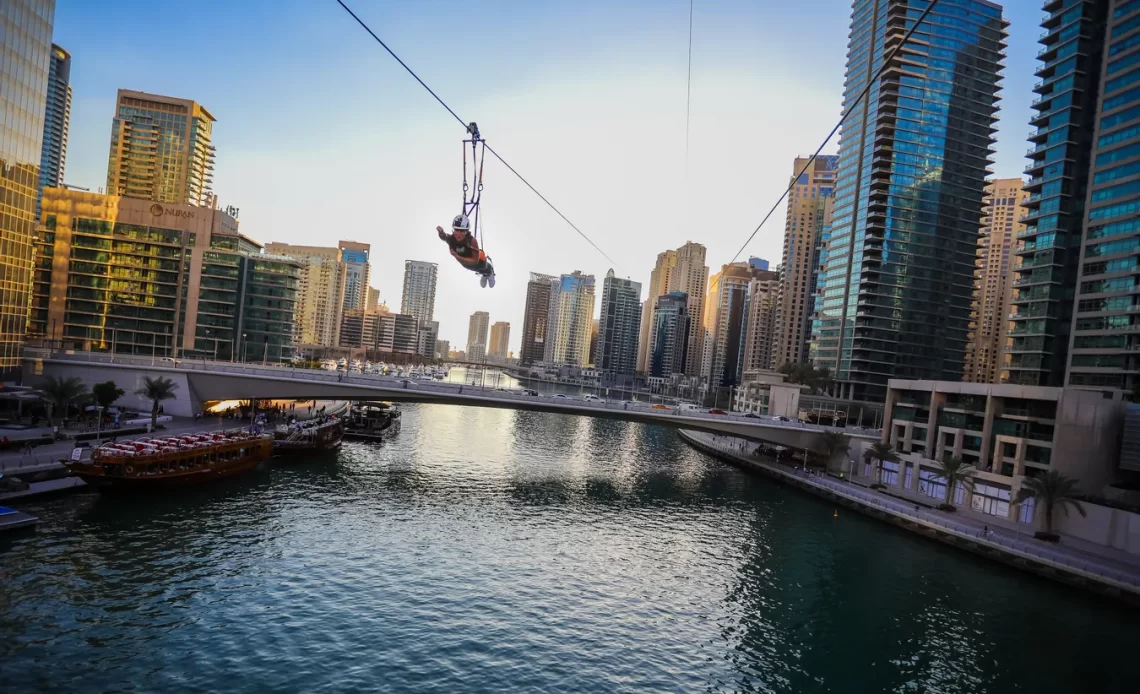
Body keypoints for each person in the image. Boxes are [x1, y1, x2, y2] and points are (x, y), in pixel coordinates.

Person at [437, 214, 495, 287]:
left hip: (479, 263)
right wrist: (441, 233)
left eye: (462, 231)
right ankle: (485, 274)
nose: (458, 234)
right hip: (466, 265)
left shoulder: (472, 241)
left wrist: (457, 256)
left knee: (484, 268)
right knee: (478, 270)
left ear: (466, 231)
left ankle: (490, 273)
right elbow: (445, 237)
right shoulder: (452, 239)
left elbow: (475, 260)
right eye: (456, 230)